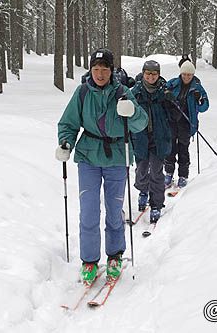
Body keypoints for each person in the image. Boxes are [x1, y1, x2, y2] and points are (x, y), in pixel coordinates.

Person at [55, 48, 148, 285]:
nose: (99, 73)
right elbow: (69, 122)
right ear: (90, 70)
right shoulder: (82, 92)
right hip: (88, 156)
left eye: (104, 69)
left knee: (114, 210)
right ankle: (89, 260)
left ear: (111, 70)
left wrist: (133, 112)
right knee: (88, 211)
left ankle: (115, 255)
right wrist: (66, 143)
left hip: (117, 156)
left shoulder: (123, 92)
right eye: (95, 69)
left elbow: (141, 123)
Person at [131, 60, 179, 223]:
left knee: (157, 173)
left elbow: (175, 117)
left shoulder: (164, 91)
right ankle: (143, 191)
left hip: (159, 138)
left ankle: (156, 204)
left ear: (158, 75)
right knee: (142, 170)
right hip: (140, 138)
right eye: (148, 73)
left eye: (154, 74)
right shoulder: (135, 92)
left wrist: (171, 102)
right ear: (143, 74)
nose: (151, 77)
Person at [164, 60, 209, 188]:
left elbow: (204, 107)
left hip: (186, 123)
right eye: (184, 74)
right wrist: (167, 95)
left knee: (183, 149)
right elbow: (162, 93)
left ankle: (183, 175)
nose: (186, 77)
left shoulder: (197, 87)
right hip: (172, 121)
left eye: (189, 75)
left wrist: (199, 99)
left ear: (193, 75)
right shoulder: (173, 83)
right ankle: (168, 173)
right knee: (170, 148)